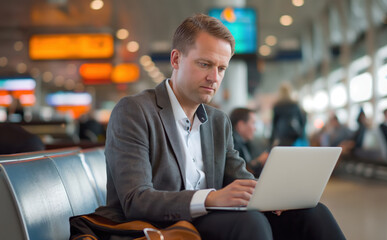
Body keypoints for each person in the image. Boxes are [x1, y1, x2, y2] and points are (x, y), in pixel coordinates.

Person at [95, 14, 345, 240]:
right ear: (176, 59)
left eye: (221, 68)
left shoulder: (217, 121)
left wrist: (272, 196)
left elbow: (240, 177)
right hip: (157, 225)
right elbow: (136, 200)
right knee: (250, 223)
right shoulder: (134, 111)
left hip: (211, 222)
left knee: (312, 213)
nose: (214, 77)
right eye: (205, 64)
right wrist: (210, 198)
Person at [230, 108, 268, 177]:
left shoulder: (242, 142)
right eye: (253, 123)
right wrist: (259, 161)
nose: (255, 128)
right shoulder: (233, 145)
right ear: (241, 125)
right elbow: (242, 172)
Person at [270, 82, 306, 147]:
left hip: (282, 137)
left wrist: (272, 140)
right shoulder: (295, 105)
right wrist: (302, 135)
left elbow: (274, 124)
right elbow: (302, 121)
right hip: (294, 136)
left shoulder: (277, 106)